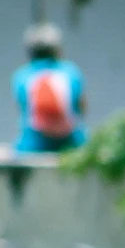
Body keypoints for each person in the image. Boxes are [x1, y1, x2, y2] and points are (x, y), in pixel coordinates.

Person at [12, 24, 87, 153]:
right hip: (71, 146)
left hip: (33, 148)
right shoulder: (71, 72)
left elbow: (22, 108)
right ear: (57, 49)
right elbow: (82, 108)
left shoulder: (22, 75)